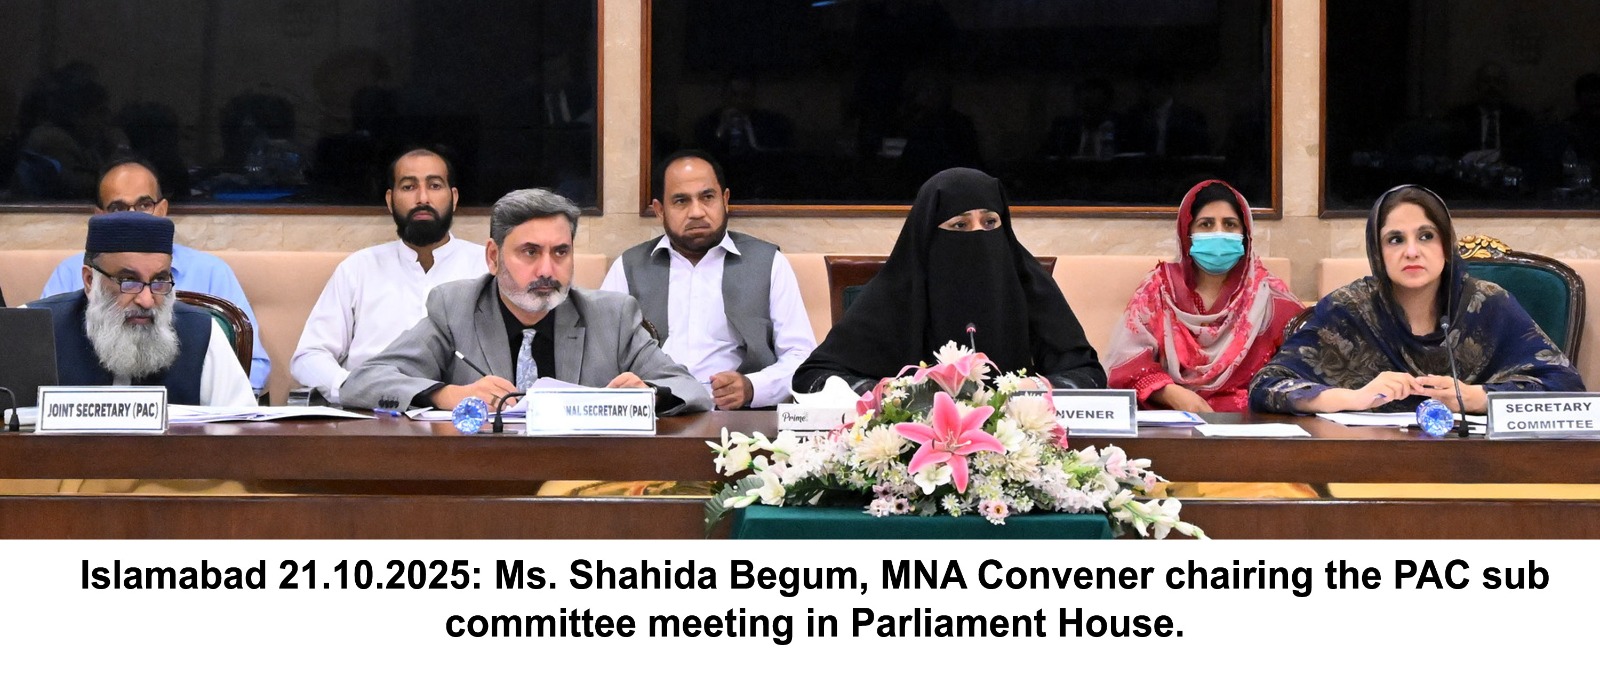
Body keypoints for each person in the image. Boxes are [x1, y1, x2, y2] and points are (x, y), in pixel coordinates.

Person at [341, 188, 710, 415]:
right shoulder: (455, 309)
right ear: (493, 257)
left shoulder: (612, 316)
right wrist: (446, 394)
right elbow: (362, 383)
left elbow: (690, 390)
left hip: (583, 477)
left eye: (560, 252)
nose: (547, 270)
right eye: (530, 252)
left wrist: (649, 395)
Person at [1251, 185, 1584, 414]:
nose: (1412, 251)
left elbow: (1567, 388)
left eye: (1426, 236)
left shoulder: (1487, 305)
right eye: (1395, 240)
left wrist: (1477, 397)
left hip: (1475, 467)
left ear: (1446, 246)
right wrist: (1355, 397)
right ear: (1377, 252)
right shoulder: (1349, 309)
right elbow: (1267, 386)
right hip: (1368, 466)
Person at [794, 167, 1105, 393]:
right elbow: (814, 377)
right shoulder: (895, 293)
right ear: (928, 235)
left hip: (1019, 443)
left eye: (990, 222)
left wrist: (1035, 389)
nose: (979, 235)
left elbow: (1087, 374)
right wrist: (887, 394)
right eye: (959, 225)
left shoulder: (1027, 285)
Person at [601, 150, 815, 409]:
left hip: (742, 418)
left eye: (707, 197)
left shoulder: (770, 264)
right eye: (681, 201)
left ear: (725, 200)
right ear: (660, 210)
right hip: (657, 414)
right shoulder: (628, 268)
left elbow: (801, 357)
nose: (697, 212)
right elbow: (601, 356)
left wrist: (753, 387)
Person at [40, 157, 271, 394]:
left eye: (144, 205)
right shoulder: (67, 276)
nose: (133, 218)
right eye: (118, 209)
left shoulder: (211, 276)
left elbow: (250, 369)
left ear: (162, 209)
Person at [292, 148, 487, 404]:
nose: (422, 198)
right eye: (408, 187)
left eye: (434, 185)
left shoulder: (486, 268)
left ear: (454, 197)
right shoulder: (359, 268)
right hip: (369, 414)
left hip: (464, 414)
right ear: (390, 200)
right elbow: (309, 356)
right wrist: (354, 388)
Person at [1107, 180, 1302, 413]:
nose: (1219, 233)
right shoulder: (1159, 290)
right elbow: (1127, 368)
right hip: (1173, 418)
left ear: (1245, 234)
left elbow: (1304, 363)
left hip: (1250, 422)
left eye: (1230, 225)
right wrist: (1170, 393)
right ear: (1187, 233)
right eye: (1206, 224)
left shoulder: (1269, 297)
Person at [26, 212, 255, 406]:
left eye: (159, 281)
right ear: (89, 280)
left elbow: (240, 434)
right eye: (128, 281)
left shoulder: (203, 333)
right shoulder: (33, 329)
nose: (146, 300)